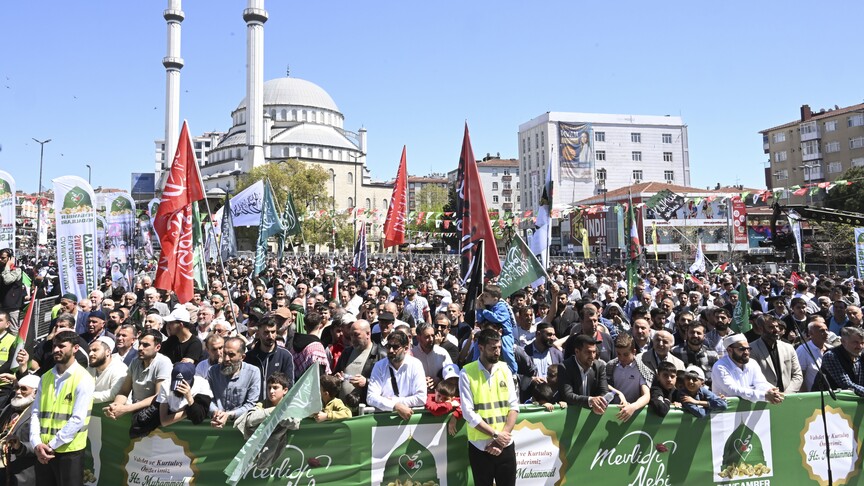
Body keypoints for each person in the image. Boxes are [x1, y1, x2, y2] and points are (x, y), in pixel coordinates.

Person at [29, 332, 96, 486]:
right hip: (43, 451)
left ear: (76, 348)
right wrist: (36, 443)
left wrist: (51, 446)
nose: (56, 349)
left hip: (69, 452)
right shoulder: (46, 377)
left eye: (62, 346)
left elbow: (77, 419)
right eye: (54, 346)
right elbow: (35, 412)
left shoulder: (83, 378)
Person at [459, 328, 519, 486]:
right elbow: (468, 413)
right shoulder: (466, 373)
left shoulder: (505, 369)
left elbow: (514, 407)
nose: (497, 352)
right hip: (480, 447)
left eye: (499, 347)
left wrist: (500, 439)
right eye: (493, 348)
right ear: (481, 348)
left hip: (505, 444)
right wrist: (495, 435)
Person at [104, 330, 173, 438]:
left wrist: (126, 409)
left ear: (157, 347)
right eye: (140, 343)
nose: (140, 348)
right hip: (136, 409)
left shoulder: (164, 363)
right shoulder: (135, 361)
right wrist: (116, 407)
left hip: (152, 417)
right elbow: (124, 391)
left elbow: (159, 396)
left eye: (145, 345)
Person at [366, 331, 426, 418]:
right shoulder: (379, 366)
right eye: (388, 346)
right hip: (384, 418)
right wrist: (395, 406)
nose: (390, 350)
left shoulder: (416, 365)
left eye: (395, 347)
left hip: (410, 418)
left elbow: (421, 398)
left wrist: (395, 402)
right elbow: (371, 397)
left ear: (405, 349)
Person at [711, 334, 784, 404]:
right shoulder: (720, 366)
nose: (746, 352)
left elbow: (760, 383)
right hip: (727, 412)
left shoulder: (752, 363)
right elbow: (732, 390)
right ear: (730, 350)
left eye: (748, 349)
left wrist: (769, 391)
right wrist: (764, 395)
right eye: (742, 349)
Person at [208, 337, 261, 429]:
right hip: (216, 423)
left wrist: (229, 415)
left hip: (241, 427)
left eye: (231, 355)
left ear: (242, 357)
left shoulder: (253, 372)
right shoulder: (212, 371)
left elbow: (251, 404)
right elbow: (208, 398)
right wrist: (215, 412)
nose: (226, 358)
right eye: (224, 354)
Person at [333, 319, 386, 408]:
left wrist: (366, 382)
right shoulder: (347, 352)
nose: (353, 339)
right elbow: (336, 373)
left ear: (368, 334)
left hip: (365, 409)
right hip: (343, 409)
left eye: (356, 335)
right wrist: (336, 378)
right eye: (351, 335)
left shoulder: (380, 354)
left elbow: (387, 384)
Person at [0, 374, 40, 485]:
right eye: (17, 387)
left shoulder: (39, 414)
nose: (18, 392)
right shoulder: (9, 407)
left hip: (22, 473)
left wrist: (20, 447)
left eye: (23, 389)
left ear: (36, 393)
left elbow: (42, 445)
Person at [245, 317, 295, 402]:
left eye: (273, 332)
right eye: (266, 332)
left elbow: (289, 385)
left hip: (276, 407)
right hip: (254, 406)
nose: (270, 336)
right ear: (258, 333)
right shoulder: (249, 357)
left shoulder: (285, 356)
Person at [749, 316, 803, 393]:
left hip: (789, 397)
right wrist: (774, 393)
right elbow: (754, 377)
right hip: (766, 398)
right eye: (771, 327)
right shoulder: (751, 349)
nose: (776, 330)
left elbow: (797, 375)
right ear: (761, 329)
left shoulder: (788, 347)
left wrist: (787, 394)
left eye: (777, 326)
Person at [605, 333, 651, 422]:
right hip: (611, 413)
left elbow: (646, 395)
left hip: (633, 415)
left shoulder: (641, 368)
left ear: (634, 352)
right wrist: (619, 393)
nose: (621, 358)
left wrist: (633, 407)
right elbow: (604, 385)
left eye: (626, 354)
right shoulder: (610, 366)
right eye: (618, 354)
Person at [559, 335, 609, 413]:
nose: (592, 356)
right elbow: (567, 395)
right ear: (577, 351)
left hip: (593, 414)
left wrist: (599, 403)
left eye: (594, 352)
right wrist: (590, 400)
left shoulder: (599, 366)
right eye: (588, 352)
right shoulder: (565, 367)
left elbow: (604, 392)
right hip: (571, 415)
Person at [475, 285, 517, 374]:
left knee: (506, 350)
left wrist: (484, 310)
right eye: (483, 295)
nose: (483, 298)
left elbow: (496, 318)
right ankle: (474, 366)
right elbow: (480, 320)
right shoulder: (487, 306)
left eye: (486, 296)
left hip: (505, 334)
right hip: (488, 334)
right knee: (477, 346)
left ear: (495, 299)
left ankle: (513, 371)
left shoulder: (501, 307)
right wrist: (479, 308)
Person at [157, 362, 212, 427]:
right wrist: (188, 411)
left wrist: (189, 398)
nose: (178, 388)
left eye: (182, 384)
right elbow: (164, 421)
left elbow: (198, 418)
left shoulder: (202, 384)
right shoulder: (166, 385)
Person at [821, 326, 864, 396]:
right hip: (828, 402)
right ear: (843, 342)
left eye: (862, 343)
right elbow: (846, 384)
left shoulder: (861, 355)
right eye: (855, 342)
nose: (860, 346)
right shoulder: (831, 356)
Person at [412, 322, 453, 390]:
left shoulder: (442, 353)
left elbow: (451, 374)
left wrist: (439, 379)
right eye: (427, 337)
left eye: (432, 335)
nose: (431, 339)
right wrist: (419, 381)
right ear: (418, 338)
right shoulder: (412, 354)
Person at [88, 336, 128, 404]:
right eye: (89, 351)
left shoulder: (120, 368)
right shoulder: (90, 368)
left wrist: (85, 396)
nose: (90, 354)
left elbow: (113, 394)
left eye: (95, 350)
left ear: (108, 352)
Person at [797, 318, 830, 392]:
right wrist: (806, 397)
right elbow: (799, 377)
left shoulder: (830, 349)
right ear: (811, 333)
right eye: (822, 331)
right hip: (812, 395)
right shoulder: (803, 350)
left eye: (827, 330)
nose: (826, 333)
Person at [0, 250, 24, 333]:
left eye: (3, 258)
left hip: (12, 306)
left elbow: (7, 280)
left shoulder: (16, 270)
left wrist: (8, 265)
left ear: (10, 258)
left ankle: (14, 346)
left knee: (12, 329)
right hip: (2, 304)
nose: (0, 260)